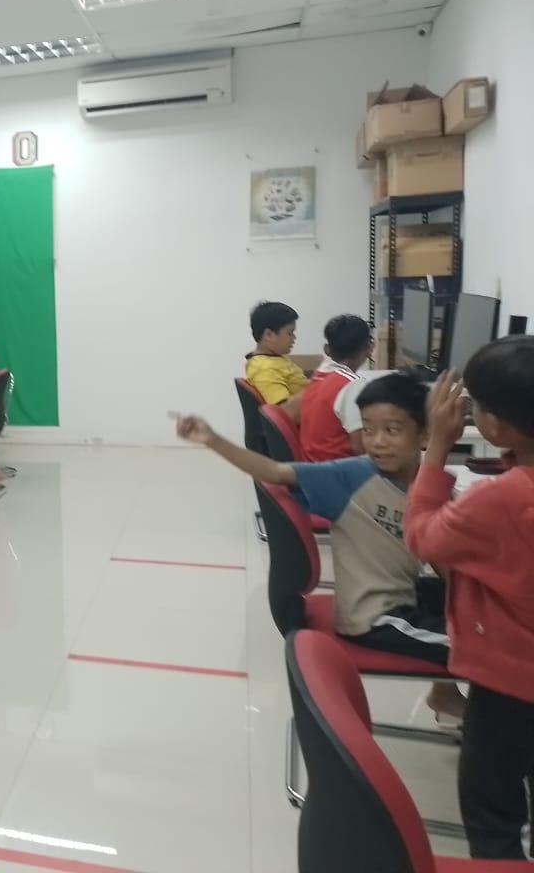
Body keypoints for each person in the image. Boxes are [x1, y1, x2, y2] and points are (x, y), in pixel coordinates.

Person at [175, 372, 465, 720]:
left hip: (404, 594)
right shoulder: (351, 476)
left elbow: (442, 553)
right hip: (374, 616)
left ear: (424, 434)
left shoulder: (430, 485)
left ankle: (444, 693)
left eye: (392, 430)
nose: (377, 442)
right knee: (486, 644)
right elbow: (275, 471)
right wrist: (212, 440)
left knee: (475, 605)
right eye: (368, 429)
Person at [404, 339, 534, 860]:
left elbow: (422, 536)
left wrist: (436, 445)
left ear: (495, 425)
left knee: (492, 813)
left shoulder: (502, 500)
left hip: (512, 685)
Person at [300, 315, 375, 462]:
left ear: (327, 350)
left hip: (314, 464)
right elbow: (360, 448)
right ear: (369, 348)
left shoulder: (320, 375)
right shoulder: (352, 384)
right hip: (337, 469)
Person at [246, 301, 308, 421]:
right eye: (290, 333)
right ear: (268, 335)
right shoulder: (265, 369)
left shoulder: (275, 358)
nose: (294, 338)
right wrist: (319, 387)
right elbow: (285, 412)